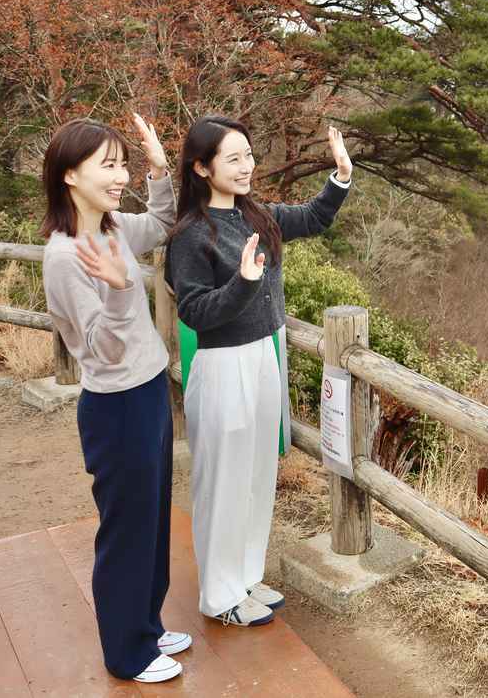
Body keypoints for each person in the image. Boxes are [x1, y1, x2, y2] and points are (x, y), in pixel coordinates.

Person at [166, 116, 352, 626]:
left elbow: (313, 218)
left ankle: (245, 576)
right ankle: (220, 595)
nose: (246, 166)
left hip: (262, 357)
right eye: (233, 158)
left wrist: (340, 177)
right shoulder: (189, 236)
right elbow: (196, 312)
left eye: (249, 155)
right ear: (202, 168)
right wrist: (244, 284)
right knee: (223, 482)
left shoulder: (257, 215)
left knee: (254, 476)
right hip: (222, 364)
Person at [40, 114, 189, 684]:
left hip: (148, 388)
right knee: (125, 528)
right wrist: (125, 293)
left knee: (152, 518)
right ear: (70, 175)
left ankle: (145, 625)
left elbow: (163, 221)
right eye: (109, 165)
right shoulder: (64, 255)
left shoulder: (111, 227)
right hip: (115, 404)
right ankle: (126, 653)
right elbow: (98, 347)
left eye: (122, 163)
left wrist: (156, 169)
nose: (119, 175)